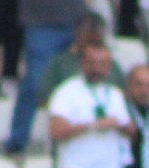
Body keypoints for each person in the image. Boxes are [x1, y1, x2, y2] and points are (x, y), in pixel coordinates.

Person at [6, 0, 89, 155]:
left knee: (82, 82)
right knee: (35, 83)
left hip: (77, 20)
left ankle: (78, 142)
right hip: (40, 20)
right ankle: (17, 141)